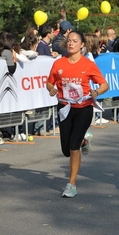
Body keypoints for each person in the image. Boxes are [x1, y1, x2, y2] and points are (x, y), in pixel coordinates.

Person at [46, 30, 109, 197]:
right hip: (65, 108)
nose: (70, 43)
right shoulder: (59, 64)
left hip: (84, 109)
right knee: (66, 150)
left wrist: (96, 92)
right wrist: (51, 88)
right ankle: (83, 141)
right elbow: (49, 82)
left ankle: (71, 184)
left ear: (82, 45)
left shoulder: (88, 64)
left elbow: (104, 84)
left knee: (73, 148)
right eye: (69, 41)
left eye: (74, 41)